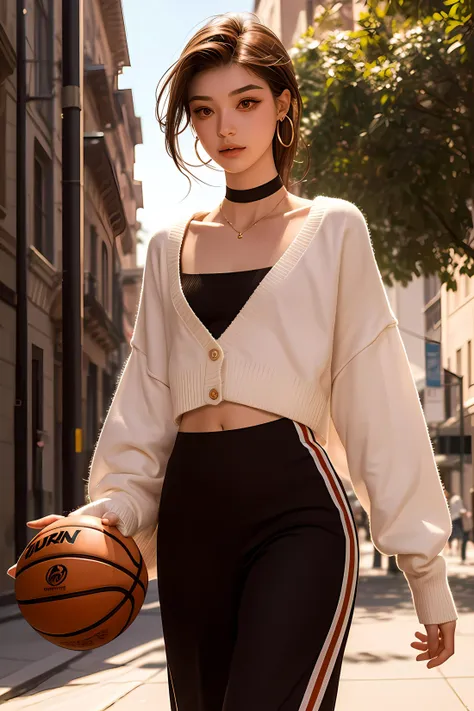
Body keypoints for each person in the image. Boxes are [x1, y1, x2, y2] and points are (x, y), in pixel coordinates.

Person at [7, 12, 458, 711]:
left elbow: (379, 398)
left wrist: (426, 570)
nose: (226, 128)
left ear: (282, 105)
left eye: (246, 103)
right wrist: (111, 509)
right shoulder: (168, 246)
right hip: (191, 522)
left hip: (298, 511)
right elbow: (147, 398)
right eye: (204, 110)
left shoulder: (334, 230)